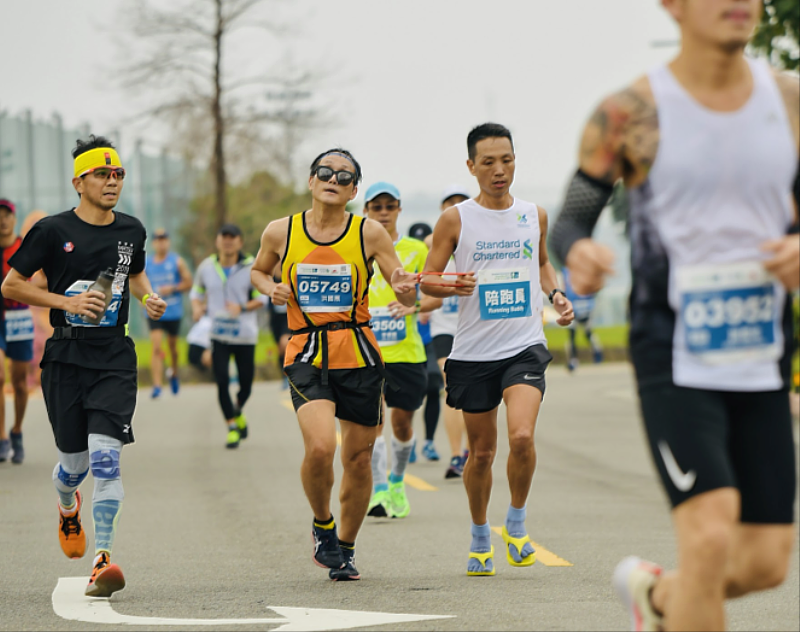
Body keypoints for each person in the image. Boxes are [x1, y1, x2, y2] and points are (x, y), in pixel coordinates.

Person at [549, 1, 799, 629]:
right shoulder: (629, 113)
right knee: (710, 539)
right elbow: (574, 216)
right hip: (673, 348)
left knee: (767, 563)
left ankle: (657, 597)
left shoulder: (791, 102)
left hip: (762, 350)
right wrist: (578, 251)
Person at [1, 135, 167, 598]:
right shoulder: (52, 231)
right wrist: (65, 302)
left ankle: (103, 560)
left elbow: (132, 274)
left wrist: (147, 296)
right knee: (73, 467)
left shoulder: (132, 229)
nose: (112, 182)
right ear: (79, 181)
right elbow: (12, 286)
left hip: (114, 355)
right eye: (102, 174)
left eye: (118, 175)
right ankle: (66, 502)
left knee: (106, 458)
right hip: (66, 356)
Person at [250, 148, 418, 581]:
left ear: (353, 190)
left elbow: (404, 292)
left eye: (344, 177)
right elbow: (257, 272)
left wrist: (403, 288)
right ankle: (322, 525)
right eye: (325, 172)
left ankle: (345, 546)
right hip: (307, 351)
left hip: (359, 353)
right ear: (310, 181)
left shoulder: (370, 234)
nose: (333, 179)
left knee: (359, 460)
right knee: (322, 447)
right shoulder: (280, 231)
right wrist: (270, 287)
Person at [422, 123, 573, 577]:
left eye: (506, 160)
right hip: (473, 353)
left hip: (524, 346)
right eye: (488, 162)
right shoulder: (456, 219)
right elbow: (428, 278)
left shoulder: (533, 214)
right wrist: (453, 284)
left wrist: (556, 295)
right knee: (482, 453)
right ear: (471, 167)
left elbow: (542, 263)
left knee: (522, 436)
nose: (499, 170)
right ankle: (479, 533)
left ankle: (517, 523)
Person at [361, 182, 441, 520]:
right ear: (365, 211)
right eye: (376, 207)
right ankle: (379, 490)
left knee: (403, 423)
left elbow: (437, 294)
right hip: (366, 350)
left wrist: (414, 306)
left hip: (407, 353)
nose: (383, 212)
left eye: (389, 206)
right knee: (372, 423)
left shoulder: (415, 250)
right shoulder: (354, 247)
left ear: (398, 210)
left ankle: (396, 481)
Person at [190, 223, 266, 449]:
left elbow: (262, 298)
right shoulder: (207, 267)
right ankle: (232, 426)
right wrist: (196, 307)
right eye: (224, 237)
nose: (228, 241)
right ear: (217, 241)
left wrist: (242, 307)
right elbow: (196, 292)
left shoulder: (251, 267)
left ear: (240, 242)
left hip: (244, 335)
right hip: (219, 335)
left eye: (233, 237)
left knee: (246, 386)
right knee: (221, 380)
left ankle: (237, 410)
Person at [427, 185, 472, 479]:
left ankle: (471, 450)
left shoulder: (482, 244)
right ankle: (456, 455)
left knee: (472, 394)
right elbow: (425, 284)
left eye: (461, 204)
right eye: (449, 205)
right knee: (450, 385)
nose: (455, 209)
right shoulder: (434, 244)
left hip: (475, 327)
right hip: (444, 328)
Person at [0, 198, 34, 464]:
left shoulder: (26, 246)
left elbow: (41, 278)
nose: (2, 220)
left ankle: (17, 431)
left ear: (13, 218)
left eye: (6, 214)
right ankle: (1, 437)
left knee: (20, 383)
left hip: (20, 316)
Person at [409, 221, 444, 463]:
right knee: (411, 394)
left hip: (433, 337)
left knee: (433, 386)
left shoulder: (436, 265)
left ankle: (429, 441)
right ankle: (408, 440)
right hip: (410, 339)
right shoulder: (403, 269)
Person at [145, 228, 192, 398]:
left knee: (172, 348)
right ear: (153, 243)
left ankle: (174, 373)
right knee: (156, 346)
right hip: (154, 311)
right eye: (158, 239)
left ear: (168, 242)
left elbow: (189, 283)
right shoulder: (146, 263)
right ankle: (157, 385)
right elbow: (139, 283)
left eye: (164, 239)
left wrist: (173, 288)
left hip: (173, 311)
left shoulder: (177, 262)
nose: (161, 242)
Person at [19, 210, 52, 392]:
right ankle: (30, 382)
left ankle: (42, 382)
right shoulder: (22, 254)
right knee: (30, 350)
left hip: (47, 311)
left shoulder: (52, 253)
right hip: (30, 312)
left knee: (46, 347)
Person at [562, 266, 603, 372]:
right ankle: (574, 360)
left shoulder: (569, 270)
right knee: (573, 335)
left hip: (580, 306)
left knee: (584, 333)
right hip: (578, 306)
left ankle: (596, 353)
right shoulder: (568, 271)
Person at [266, 263, 291, 388]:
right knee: (280, 349)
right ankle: (284, 375)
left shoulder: (291, 276)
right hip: (276, 318)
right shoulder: (270, 280)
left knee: (285, 343)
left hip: (289, 316)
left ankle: (290, 375)